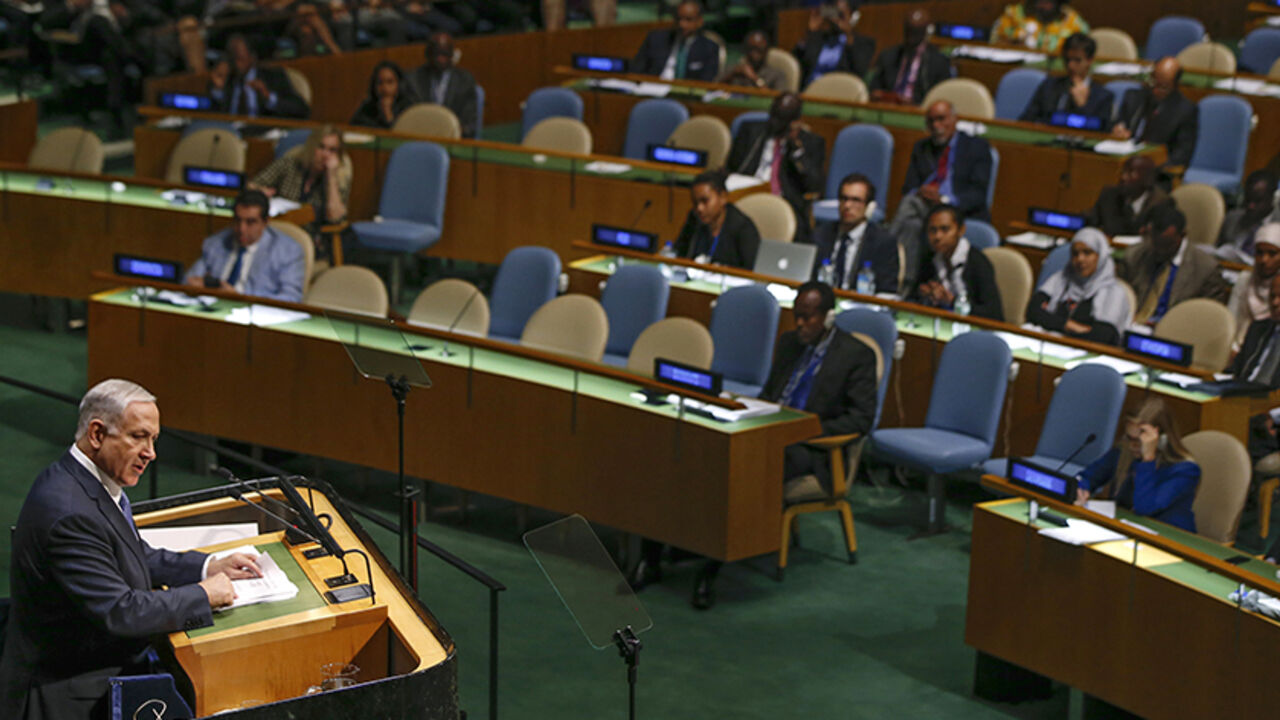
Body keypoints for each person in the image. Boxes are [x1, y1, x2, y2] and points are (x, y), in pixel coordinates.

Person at [0, 379, 262, 719]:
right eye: (138, 437)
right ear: (97, 434)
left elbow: (131, 554)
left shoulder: (86, 480)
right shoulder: (70, 512)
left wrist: (206, 567)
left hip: (95, 666)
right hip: (70, 695)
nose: (151, 453)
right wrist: (202, 595)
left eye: (153, 439)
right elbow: (120, 611)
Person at [630, 282, 877, 610]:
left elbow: (861, 420)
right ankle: (652, 557)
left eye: (807, 318)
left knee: (737, 472)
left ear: (828, 317)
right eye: (796, 316)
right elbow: (770, 395)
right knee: (687, 451)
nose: (799, 324)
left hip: (811, 449)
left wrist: (802, 428)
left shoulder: (856, 355)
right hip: (764, 431)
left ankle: (708, 569)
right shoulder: (789, 343)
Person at [890, 99, 992, 287]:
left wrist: (944, 200)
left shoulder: (976, 147)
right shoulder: (922, 147)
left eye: (941, 119)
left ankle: (888, 253)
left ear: (954, 119)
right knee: (912, 217)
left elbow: (978, 194)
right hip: (925, 207)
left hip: (958, 210)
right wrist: (922, 192)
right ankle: (906, 285)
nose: (936, 126)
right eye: (931, 121)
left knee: (910, 212)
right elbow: (908, 187)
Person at [1075, 398, 1201, 533]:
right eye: (1129, 438)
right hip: (1126, 529)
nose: (1132, 446)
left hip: (1169, 537)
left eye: (1139, 441)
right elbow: (1087, 477)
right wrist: (1081, 490)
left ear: (1161, 439)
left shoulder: (1185, 471)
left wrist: (1148, 459)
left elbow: (1145, 507)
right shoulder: (1124, 452)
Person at [726, 91, 825, 243]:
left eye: (781, 120)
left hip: (784, 200)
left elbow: (813, 185)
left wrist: (796, 148)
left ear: (795, 121)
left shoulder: (811, 142)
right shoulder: (751, 131)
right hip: (747, 192)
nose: (775, 123)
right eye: (774, 117)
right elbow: (733, 167)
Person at [1116, 203, 1229, 326]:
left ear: (1183, 235)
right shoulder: (1134, 255)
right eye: (1155, 244)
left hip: (1177, 329)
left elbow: (1208, 317)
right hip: (1132, 323)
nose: (1160, 251)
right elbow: (1120, 295)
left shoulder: (1206, 269)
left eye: (1167, 245)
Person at [185, 190, 306, 302]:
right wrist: (196, 286)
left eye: (250, 222)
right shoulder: (216, 242)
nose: (242, 229)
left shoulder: (288, 251)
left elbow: (292, 298)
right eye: (238, 220)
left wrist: (240, 297)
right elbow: (188, 280)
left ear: (265, 222)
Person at [248, 124, 352, 252]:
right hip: (278, 230)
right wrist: (260, 193)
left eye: (332, 150)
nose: (326, 155)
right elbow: (252, 185)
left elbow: (335, 217)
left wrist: (331, 177)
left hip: (310, 242)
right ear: (311, 147)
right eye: (321, 147)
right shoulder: (290, 163)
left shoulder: (339, 178)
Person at [1026, 227, 1130, 344]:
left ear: (1101, 255)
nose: (1080, 259)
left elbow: (1103, 336)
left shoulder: (1114, 292)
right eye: (1075, 254)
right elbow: (1033, 311)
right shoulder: (1061, 279)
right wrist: (1068, 325)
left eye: (1087, 253)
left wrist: (1052, 322)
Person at [911, 204, 1003, 320]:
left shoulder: (978, 262)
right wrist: (924, 292)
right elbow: (912, 296)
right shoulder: (929, 257)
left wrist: (952, 302)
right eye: (932, 230)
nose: (937, 236)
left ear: (961, 230)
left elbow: (994, 314)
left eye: (945, 229)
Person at [812, 172, 899, 294]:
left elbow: (887, 290)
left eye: (856, 200)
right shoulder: (821, 234)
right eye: (844, 199)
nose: (847, 205)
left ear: (869, 206)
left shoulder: (883, 242)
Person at [1112, 57, 1198, 169]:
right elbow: (1117, 124)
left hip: (1155, 169)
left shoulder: (1185, 111)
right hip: (1122, 161)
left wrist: (1152, 167)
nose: (1155, 90)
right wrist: (1118, 129)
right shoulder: (1133, 97)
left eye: (1163, 87)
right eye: (1153, 82)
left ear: (1175, 86)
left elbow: (1181, 155)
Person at [1019, 32, 1113, 128]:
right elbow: (1026, 120)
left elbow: (1100, 130)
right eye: (1067, 59)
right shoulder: (1049, 86)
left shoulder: (1103, 96)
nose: (1070, 66)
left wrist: (1083, 106)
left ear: (1090, 60)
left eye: (1077, 60)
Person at [208, 33, 310, 119]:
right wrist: (218, 90)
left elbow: (301, 109)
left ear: (252, 58)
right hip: (230, 133)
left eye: (240, 59)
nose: (236, 65)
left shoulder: (273, 76)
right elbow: (212, 115)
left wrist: (269, 97)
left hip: (262, 131)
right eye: (232, 59)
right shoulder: (227, 79)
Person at [673, 171, 761, 269]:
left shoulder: (743, 227)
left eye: (705, 201)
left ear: (723, 197)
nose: (699, 208)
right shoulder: (694, 219)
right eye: (695, 202)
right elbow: (679, 254)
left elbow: (751, 269)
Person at [867, 8, 953, 105]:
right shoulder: (888, 56)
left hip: (917, 110)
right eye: (909, 29)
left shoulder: (939, 62)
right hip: (887, 107)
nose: (911, 35)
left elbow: (941, 98)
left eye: (916, 31)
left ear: (927, 31)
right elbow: (873, 88)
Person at [405, 31, 480, 138]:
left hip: (453, 139)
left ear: (452, 55)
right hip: (421, 136)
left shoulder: (464, 81)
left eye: (445, 54)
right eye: (437, 54)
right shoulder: (413, 79)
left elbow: (469, 123)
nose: (440, 59)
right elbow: (410, 117)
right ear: (428, 54)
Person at [1081, 155, 1170, 238]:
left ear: (1148, 179)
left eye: (1131, 173)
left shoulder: (1161, 203)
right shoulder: (1109, 196)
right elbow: (1091, 222)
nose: (1123, 177)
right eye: (1123, 172)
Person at [630, 0, 720, 82]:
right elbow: (636, 70)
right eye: (678, 19)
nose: (682, 24)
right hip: (653, 88)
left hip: (685, 92)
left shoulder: (709, 48)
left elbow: (707, 81)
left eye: (688, 20)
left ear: (700, 21)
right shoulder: (656, 39)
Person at [793, 0, 875, 86]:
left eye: (840, 15)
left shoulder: (865, 43)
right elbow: (795, 64)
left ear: (853, 16)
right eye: (835, 13)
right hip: (810, 88)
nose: (836, 19)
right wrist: (809, 33)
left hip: (838, 90)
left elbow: (859, 72)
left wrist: (848, 35)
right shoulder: (819, 38)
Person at [1227, 225, 1280, 351]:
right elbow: (1230, 320)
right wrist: (1232, 348)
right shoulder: (1245, 279)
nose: (1264, 260)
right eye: (1259, 253)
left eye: (1272, 254)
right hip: (1232, 347)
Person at [1227, 273, 1280, 387]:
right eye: (1272, 296)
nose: (1275, 303)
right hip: (1240, 391)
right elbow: (1237, 370)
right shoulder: (1258, 328)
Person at [1216, 170, 1280, 264]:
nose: (1251, 206)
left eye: (1257, 201)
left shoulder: (1278, 225)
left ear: (1272, 199)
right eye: (1248, 199)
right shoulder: (1232, 217)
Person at [991, 0, 1089, 53]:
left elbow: (1083, 53)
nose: (1042, 5)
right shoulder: (1014, 14)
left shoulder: (1073, 22)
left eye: (1048, 1)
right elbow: (995, 43)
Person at [350, 61, 417, 129]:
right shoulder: (368, 106)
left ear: (399, 84)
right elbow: (354, 127)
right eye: (380, 83)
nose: (385, 88)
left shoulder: (408, 107)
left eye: (390, 82)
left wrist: (388, 116)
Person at [718, 29, 788, 91]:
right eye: (751, 49)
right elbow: (714, 90)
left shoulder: (776, 75)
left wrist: (754, 78)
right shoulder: (734, 69)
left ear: (766, 50)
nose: (754, 54)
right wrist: (732, 74)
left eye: (759, 50)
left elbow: (778, 99)